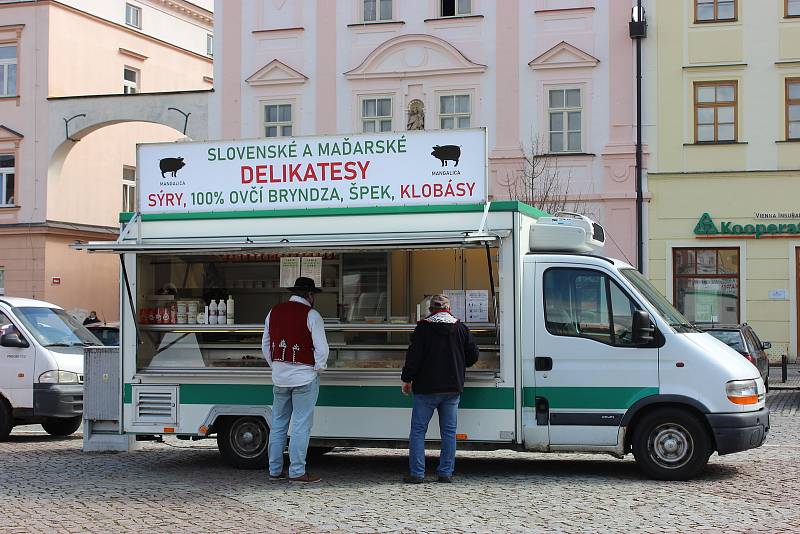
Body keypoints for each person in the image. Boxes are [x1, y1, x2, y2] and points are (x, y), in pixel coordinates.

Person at [400, 294, 479, 484]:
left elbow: (413, 357)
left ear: (431, 310)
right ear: (449, 309)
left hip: (426, 389)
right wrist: (460, 364)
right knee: (449, 433)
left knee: (418, 432)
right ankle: (445, 473)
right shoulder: (461, 328)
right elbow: (474, 355)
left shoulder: (423, 329)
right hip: (452, 389)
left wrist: (407, 379)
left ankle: (417, 474)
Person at [262, 276, 329, 483]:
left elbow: (265, 344)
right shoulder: (312, 314)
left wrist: (276, 366)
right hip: (304, 378)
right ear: (309, 295)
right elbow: (322, 349)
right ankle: (297, 471)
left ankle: (275, 470)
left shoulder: (274, 312)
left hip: (279, 379)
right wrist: (318, 369)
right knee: (300, 425)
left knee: (279, 424)